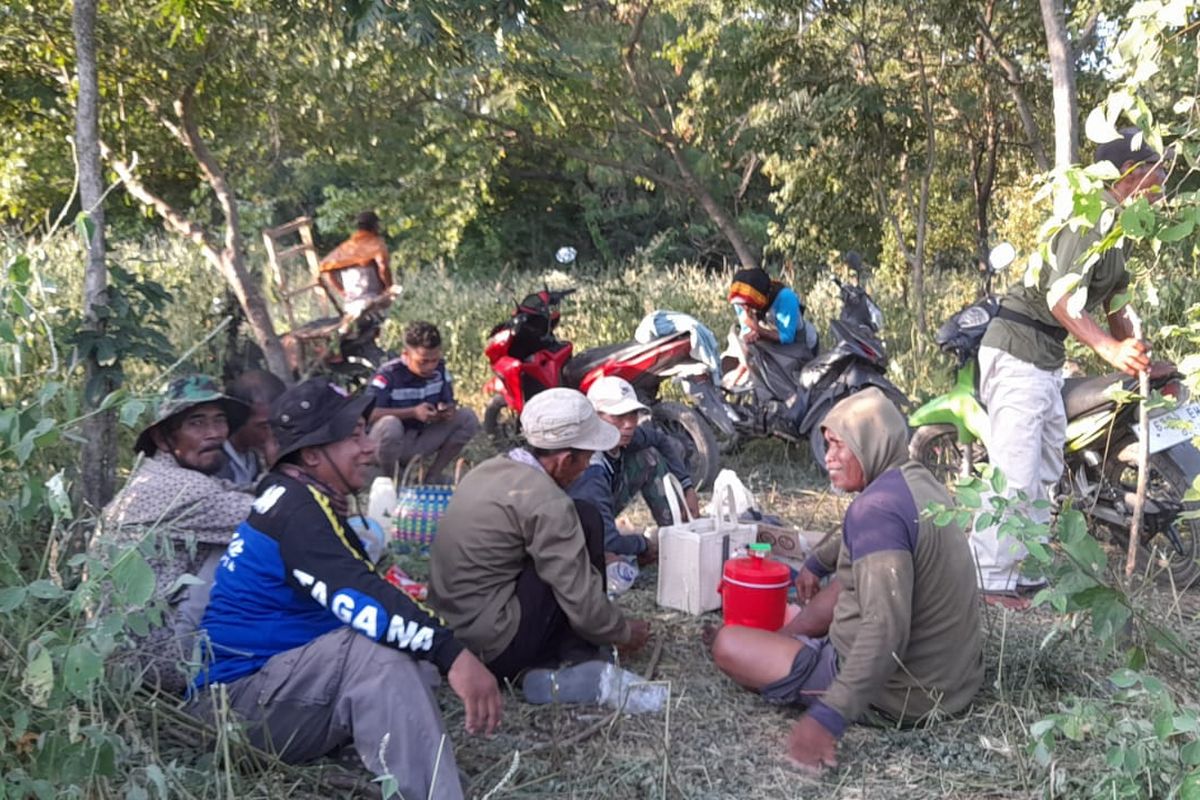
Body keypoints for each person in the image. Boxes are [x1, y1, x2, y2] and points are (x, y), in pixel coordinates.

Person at [192, 379, 501, 800]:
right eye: (354, 436)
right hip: (233, 710)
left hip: (264, 692)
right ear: (313, 454)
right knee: (379, 655)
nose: (369, 448)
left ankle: (376, 755)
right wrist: (453, 653)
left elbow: (364, 583)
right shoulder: (294, 509)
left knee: (414, 663)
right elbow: (358, 596)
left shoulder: (298, 496)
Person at [709, 388, 983, 772]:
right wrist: (818, 562)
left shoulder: (876, 511)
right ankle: (788, 643)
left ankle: (796, 655)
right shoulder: (916, 482)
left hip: (899, 694)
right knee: (848, 581)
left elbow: (885, 629)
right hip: (951, 684)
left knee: (728, 642)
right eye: (827, 445)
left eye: (839, 445)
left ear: (869, 443)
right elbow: (862, 540)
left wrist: (829, 716)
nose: (829, 458)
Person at [970, 128, 1161, 598]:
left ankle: (1025, 572)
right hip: (1017, 348)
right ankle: (989, 581)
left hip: (1046, 359)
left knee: (1045, 468)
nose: (1163, 185)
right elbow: (1062, 299)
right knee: (1015, 471)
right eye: (1157, 173)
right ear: (1131, 174)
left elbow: (1119, 305)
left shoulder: (1123, 229)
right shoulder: (1088, 214)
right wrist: (1109, 351)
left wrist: (1138, 354)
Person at [428, 387, 652, 696]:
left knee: (580, 516)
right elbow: (581, 600)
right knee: (583, 521)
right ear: (564, 459)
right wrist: (623, 632)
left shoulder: (488, 470)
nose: (587, 467)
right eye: (585, 458)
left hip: (455, 640)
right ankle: (578, 652)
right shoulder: (547, 502)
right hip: (494, 648)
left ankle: (567, 648)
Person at [93, 375, 253, 695]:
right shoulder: (181, 487)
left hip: (123, 660)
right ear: (164, 437)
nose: (214, 434)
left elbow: (234, 494)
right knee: (252, 546)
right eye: (196, 423)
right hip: (159, 661)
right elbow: (273, 516)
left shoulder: (156, 475)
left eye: (219, 420)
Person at [567, 376, 699, 562]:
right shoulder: (589, 466)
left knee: (649, 456)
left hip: (604, 507)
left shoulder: (627, 437)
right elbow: (608, 539)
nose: (628, 424)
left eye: (633, 415)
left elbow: (661, 440)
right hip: (573, 528)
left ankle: (676, 533)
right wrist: (643, 544)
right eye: (617, 416)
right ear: (595, 417)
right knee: (606, 557)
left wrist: (687, 487)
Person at [367, 320, 479, 481]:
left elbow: (448, 402)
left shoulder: (440, 370)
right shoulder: (388, 375)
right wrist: (412, 412)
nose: (430, 367)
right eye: (423, 361)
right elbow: (369, 414)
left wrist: (446, 411)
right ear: (405, 355)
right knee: (390, 425)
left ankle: (432, 477)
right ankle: (390, 481)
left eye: (434, 360)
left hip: (419, 439)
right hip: (384, 443)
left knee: (467, 417)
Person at [726, 267, 819, 408]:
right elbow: (745, 329)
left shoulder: (785, 298)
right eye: (741, 305)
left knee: (803, 386)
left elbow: (787, 337)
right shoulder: (741, 302)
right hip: (771, 342)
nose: (744, 308)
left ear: (759, 299)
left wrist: (757, 329)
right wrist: (749, 335)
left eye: (747, 304)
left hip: (800, 344)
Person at [214, 369, 286, 486]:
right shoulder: (215, 461)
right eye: (264, 426)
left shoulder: (252, 456)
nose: (273, 434)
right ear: (238, 418)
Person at [319, 210, 393, 307]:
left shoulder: (347, 247)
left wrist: (342, 291)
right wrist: (389, 289)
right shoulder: (376, 244)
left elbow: (325, 269)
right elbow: (383, 266)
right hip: (374, 297)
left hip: (352, 302)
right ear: (375, 226)